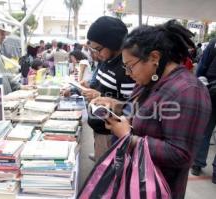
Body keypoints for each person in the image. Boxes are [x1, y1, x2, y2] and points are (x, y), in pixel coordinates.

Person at [91, 20, 212, 198]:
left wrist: (128, 137)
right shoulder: (151, 81)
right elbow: (144, 111)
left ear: (155, 57)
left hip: (155, 188)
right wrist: (118, 106)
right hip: (132, 179)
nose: (127, 73)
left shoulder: (188, 91)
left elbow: (181, 154)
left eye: (130, 66)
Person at [84, 16, 135, 162]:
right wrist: (90, 88)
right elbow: (99, 85)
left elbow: (129, 108)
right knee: (100, 156)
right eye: (93, 49)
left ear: (112, 43)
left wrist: (101, 96)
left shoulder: (126, 69)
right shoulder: (106, 60)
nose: (96, 53)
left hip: (110, 133)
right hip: (98, 126)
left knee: (105, 172)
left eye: (98, 49)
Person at [192, 38, 216, 184]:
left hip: (211, 93)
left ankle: (197, 164)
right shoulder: (213, 44)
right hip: (212, 93)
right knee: (205, 131)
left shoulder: (214, 44)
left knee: (205, 131)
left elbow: (201, 69)